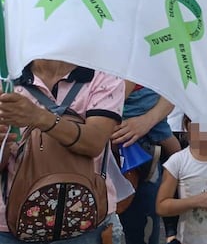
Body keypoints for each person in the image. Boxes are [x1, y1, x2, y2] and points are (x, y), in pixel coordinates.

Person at [0, 60, 126, 244]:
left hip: (87, 221)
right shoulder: (6, 80)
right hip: (11, 223)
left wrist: (39, 117)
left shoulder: (104, 76)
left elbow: (94, 142)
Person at [114, 84, 181, 244]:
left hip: (135, 147)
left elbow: (173, 86)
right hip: (112, 141)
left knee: (142, 227)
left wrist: (148, 120)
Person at [156, 116, 207, 244]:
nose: (204, 130)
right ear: (187, 126)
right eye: (198, 123)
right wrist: (194, 201)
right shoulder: (177, 162)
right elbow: (161, 206)